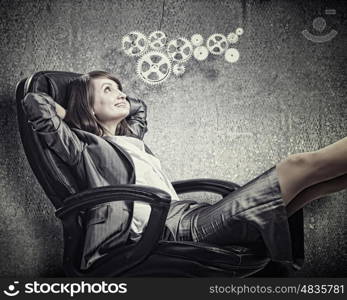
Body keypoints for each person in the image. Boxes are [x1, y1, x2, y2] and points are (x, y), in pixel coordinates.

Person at [22, 70, 347, 271]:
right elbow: (35, 102)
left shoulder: (130, 138)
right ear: (87, 105)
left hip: (191, 214)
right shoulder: (83, 147)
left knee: (313, 185)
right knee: (297, 167)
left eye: (118, 88)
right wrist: (75, 108)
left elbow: (139, 106)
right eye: (108, 91)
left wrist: (108, 93)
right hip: (167, 230)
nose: (120, 94)